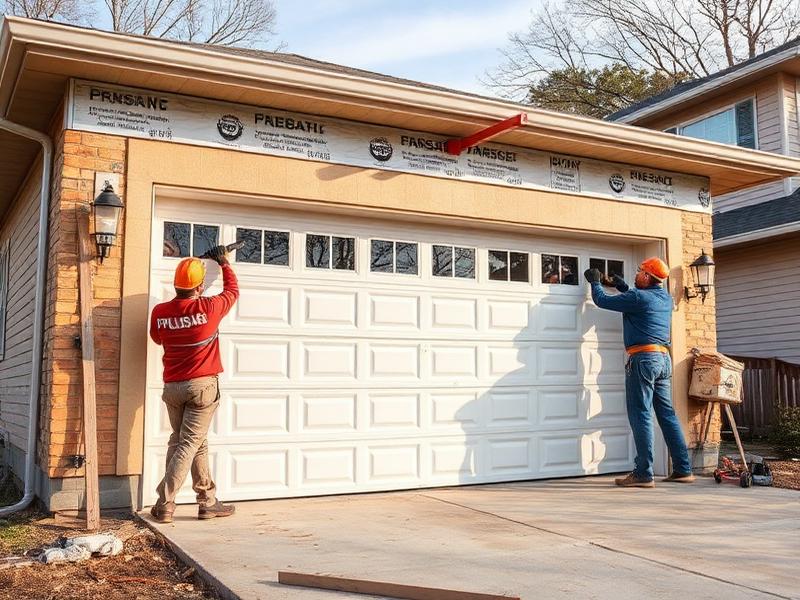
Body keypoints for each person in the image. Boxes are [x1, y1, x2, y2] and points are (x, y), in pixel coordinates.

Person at [584, 258, 694, 487]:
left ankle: (643, 473)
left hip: (643, 360)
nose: (636, 274)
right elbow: (640, 302)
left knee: (641, 414)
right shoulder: (665, 299)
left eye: (639, 271)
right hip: (663, 360)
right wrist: (622, 286)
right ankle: (683, 469)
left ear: (647, 276)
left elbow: (602, 300)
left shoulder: (638, 297)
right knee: (667, 415)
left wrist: (594, 282)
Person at [149, 245, 239, 522]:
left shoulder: (160, 312)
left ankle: (207, 500)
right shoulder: (209, 307)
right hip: (201, 388)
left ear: (176, 285)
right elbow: (232, 291)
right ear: (199, 287)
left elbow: (157, 339)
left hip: (173, 388)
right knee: (188, 443)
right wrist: (224, 263)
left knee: (187, 441)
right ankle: (165, 502)